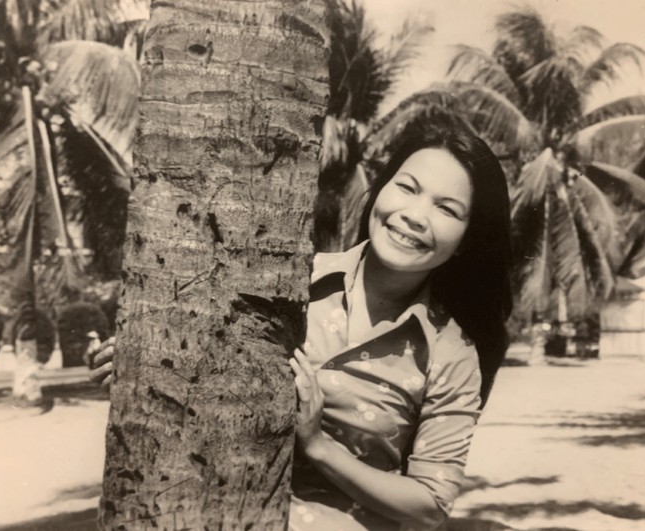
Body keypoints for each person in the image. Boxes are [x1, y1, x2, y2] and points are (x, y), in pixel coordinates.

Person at [90, 124, 513, 531]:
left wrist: (319, 447)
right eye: (407, 187)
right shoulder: (288, 278)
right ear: (381, 188)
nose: (415, 216)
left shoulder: (451, 351)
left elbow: (430, 505)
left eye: (447, 209)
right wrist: (142, 365)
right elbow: (200, 365)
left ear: (467, 240)